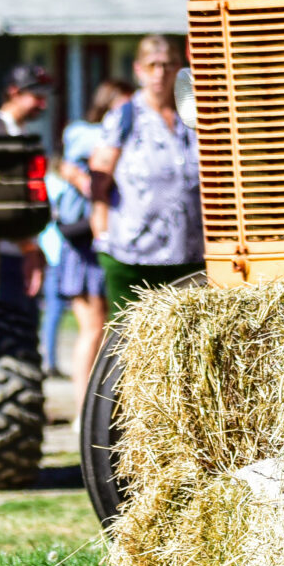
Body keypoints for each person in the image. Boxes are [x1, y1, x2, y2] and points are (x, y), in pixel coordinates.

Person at [86, 38, 201, 315]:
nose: (160, 73)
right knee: (132, 344)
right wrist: (101, 236)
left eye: (168, 65)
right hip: (134, 257)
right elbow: (99, 182)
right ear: (139, 70)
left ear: (179, 68)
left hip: (190, 253)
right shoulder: (124, 116)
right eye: (152, 66)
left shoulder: (195, 114)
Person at [43, 80, 125, 380]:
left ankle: (95, 409)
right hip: (83, 243)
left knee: (105, 330)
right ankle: (84, 412)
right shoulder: (87, 134)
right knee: (92, 329)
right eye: (125, 107)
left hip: (103, 242)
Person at [0, 63, 51, 311]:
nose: (42, 104)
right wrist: (28, 246)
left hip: (19, 249)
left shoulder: (22, 133)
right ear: (14, 92)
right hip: (1, 251)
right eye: (36, 96)